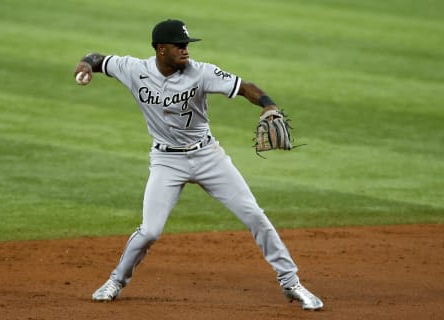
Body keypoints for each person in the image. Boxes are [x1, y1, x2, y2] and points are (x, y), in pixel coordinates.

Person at [74, 19, 323, 311]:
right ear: (161, 48)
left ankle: (291, 283)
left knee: (254, 215)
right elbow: (98, 59)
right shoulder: (133, 69)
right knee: (150, 231)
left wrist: (268, 104)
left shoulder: (201, 72)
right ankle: (116, 281)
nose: (185, 50)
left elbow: (245, 87)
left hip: (208, 157)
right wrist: (86, 65)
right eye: (180, 45)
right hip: (166, 161)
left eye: (187, 45)